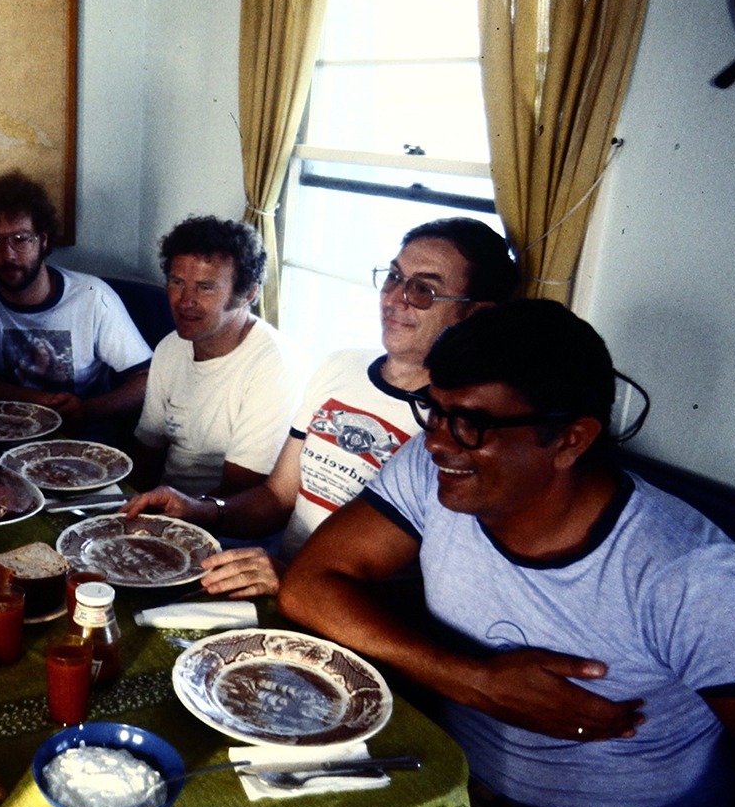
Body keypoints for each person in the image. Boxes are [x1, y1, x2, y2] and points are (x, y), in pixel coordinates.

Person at [280, 300, 735, 807]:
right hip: (460, 793)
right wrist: (472, 681)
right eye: (433, 410)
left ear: (571, 439)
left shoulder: (686, 579)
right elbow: (310, 583)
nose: (435, 440)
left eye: (470, 422)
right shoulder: (438, 469)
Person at [123, 218, 516, 598]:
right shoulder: (340, 366)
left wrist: (296, 580)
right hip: (274, 582)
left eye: (423, 290)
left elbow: (425, 593)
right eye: (394, 277)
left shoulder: (465, 429)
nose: (394, 298)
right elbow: (276, 499)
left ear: (475, 312)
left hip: (338, 615)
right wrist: (200, 508)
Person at [0, 171, 151, 435]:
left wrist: (85, 410)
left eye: (20, 239)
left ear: (44, 240)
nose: (8, 254)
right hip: (5, 436)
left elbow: (146, 381)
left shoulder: (93, 296)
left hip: (84, 439)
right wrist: (40, 403)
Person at [130, 215, 299, 502]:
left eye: (205, 287)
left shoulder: (274, 365)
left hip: (228, 522)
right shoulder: (170, 348)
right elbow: (147, 449)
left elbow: (242, 489)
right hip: (162, 507)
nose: (185, 301)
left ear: (248, 293)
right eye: (177, 282)